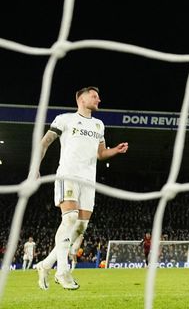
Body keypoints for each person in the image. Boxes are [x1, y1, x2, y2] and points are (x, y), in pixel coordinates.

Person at [34, 86, 129, 290]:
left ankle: (45, 264)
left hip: (88, 180)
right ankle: (62, 271)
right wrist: (35, 168)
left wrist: (115, 151)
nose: (99, 99)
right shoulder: (64, 119)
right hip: (68, 174)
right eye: (94, 96)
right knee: (69, 218)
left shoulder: (99, 125)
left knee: (81, 227)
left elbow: (100, 153)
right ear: (81, 98)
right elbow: (44, 143)